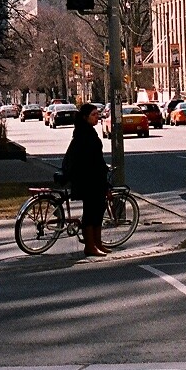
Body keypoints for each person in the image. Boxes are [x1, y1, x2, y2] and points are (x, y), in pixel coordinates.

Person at [62, 103, 111, 257]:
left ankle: (98, 243)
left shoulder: (88, 132)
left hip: (94, 178)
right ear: (85, 117)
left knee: (98, 210)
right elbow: (89, 160)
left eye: (98, 114)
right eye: (94, 115)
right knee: (91, 212)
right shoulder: (84, 134)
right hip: (88, 179)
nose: (97, 117)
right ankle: (90, 246)